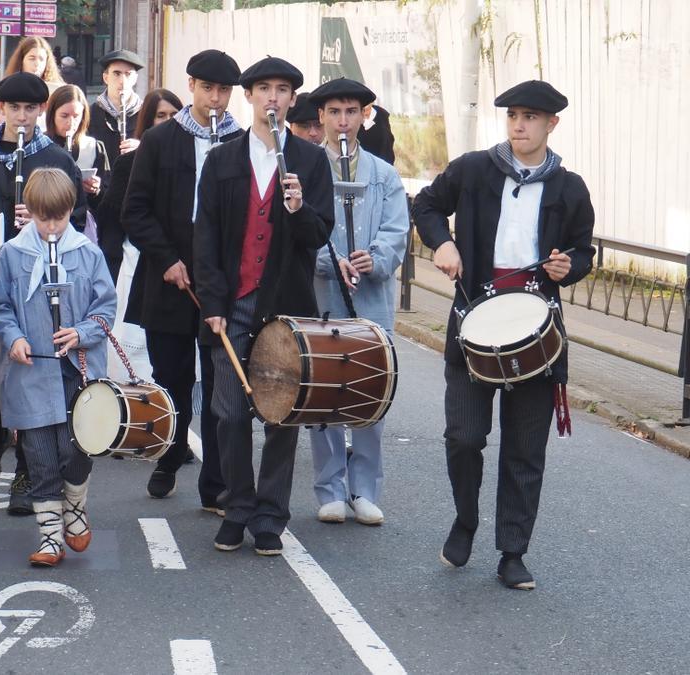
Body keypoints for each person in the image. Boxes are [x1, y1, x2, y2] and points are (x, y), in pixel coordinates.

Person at [412, 80, 595, 590]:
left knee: (525, 449)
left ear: (551, 124)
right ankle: (465, 520)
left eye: (531, 117)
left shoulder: (570, 187)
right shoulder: (473, 169)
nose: (520, 125)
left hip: (538, 329)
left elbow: (584, 251)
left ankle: (513, 551)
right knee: (464, 437)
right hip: (474, 319)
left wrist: (568, 267)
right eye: (514, 115)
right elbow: (425, 206)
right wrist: (443, 243)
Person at [194, 56, 333, 555]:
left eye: (282, 90)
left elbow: (319, 237)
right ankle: (238, 506)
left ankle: (271, 516)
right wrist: (212, 301)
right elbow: (205, 238)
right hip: (232, 304)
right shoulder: (222, 160)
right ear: (248, 97)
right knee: (228, 412)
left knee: (281, 414)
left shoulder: (312, 162)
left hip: (286, 307)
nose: (272, 98)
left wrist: (298, 208)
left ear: (293, 100)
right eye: (263, 89)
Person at [0, 72, 88, 515]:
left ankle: (26, 470)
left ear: (39, 111)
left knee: (31, 371)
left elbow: (76, 213)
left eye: (30, 109)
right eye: (13, 108)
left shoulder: (54, 156)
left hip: (38, 279)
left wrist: (37, 221)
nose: (21, 117)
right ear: (0, 109)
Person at [121, 50, 244, 505]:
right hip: (168, 279)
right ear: (190, 85)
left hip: (222, 284)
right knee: (171, 378)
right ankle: (170, 454)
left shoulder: (243, 142)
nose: (215, 99)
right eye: (207, 88)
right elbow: (135, 209)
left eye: (224, 91)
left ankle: (216, 482)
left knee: (219, 385)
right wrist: (167, 258)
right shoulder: (160, 140)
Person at [0, 168, 116, 566]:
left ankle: (75, 506)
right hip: (30, 373)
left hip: (79, 371)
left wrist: (80, 332)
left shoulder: (88, 252)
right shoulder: (12, 253)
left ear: (70, 211)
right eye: (44, 218)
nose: (51, 226)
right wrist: (14, 338)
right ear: (31, 213)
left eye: (59, 218)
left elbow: (106, 308)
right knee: (40, 454)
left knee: (77, 448)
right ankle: (49, 537)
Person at [305, 78, 409, 526]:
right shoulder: (307, 169)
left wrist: (376, 257)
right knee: (322, 388)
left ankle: (364, 488)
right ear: (322, 118)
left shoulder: (384, 174)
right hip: (322, 294)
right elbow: (297, 231)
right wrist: (329, 261)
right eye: (334, 112)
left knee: (370, 389)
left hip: (372, 299)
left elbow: (397, 230)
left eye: (352, 112)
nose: (343, 121)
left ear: (365, 117)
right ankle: (329, 487)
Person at [96, 88, 181, 282]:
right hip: (135, 259)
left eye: (174, 115)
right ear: (149, 119)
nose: (169, 121)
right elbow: (113, 218)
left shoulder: (189, 160)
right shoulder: (129, 162)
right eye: (161, 115)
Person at [45, 84, 108, 215]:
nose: (70, 122)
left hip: (82, 223)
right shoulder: (40, 144)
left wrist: (96, 189)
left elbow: (106, 197)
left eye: (76, 116)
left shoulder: (93, 147)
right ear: (52, 114)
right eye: (64, 116)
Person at [87, 50, 144, 167]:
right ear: (106, 77)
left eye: (128, 74)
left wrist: (143, 147)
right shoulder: (90, 113)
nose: (122, 81)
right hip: (101, 183)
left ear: (135, 79)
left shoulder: (146, 112)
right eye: (117, 74)